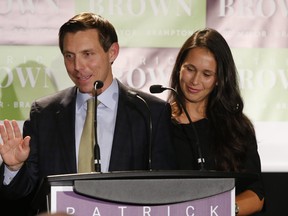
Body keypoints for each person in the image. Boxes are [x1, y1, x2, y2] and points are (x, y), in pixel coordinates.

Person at [0, 12, 177, 215]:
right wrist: (14, 168)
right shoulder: (44, 113)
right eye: (69, 56)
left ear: (112, 52)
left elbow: (165, 190)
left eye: (87, 54)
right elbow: (24, 192)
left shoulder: (150, 112)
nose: (77, 67)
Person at [167, 28, 264, 215]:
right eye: (190, 69)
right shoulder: (155, 122)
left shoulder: (237, 128)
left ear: (219, 79)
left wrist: (219, 211)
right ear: (179, 67)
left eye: (206, 74)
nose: (195, 81)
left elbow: (256, 194)